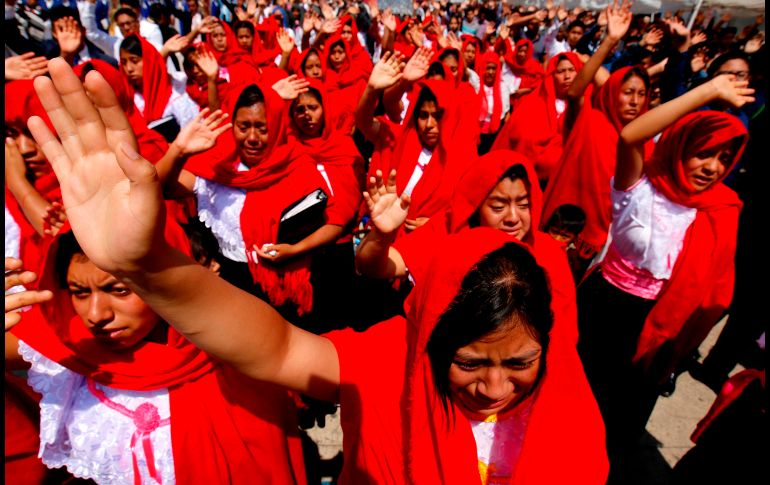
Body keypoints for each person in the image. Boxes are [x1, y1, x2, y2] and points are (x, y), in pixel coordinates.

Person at [20, 63, 611, 479]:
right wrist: (144, 266)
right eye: (469, 362)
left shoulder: (576, 417)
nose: (495, 390)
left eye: (520, 363)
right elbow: (275, 347)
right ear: (431, 338)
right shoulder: (392, 367)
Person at [5, 225, 306, 484]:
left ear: (165, 280)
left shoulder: (239, 357)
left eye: (119, 290)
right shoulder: (72, 352)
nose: (96, 314)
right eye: (80, 292)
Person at [576, 73, 754, 481]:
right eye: (704, 153)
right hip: (603, 311)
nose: (712, 168)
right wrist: (709, 90)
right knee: (575, 403)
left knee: (619, 427)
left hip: (658, 326)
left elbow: (715, 290)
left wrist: (679, 347)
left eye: (725, 159)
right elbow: (632, 135)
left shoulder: (721, 208)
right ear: (681, 147)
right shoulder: (640, 184)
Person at [356, 52, 476, 238]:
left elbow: (469, 211)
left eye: (437, 116)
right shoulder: (399, 138)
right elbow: (364, 123)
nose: (429, 125)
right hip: (383, 242)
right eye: (423, 115)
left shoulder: (464, 157)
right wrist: (372, 90)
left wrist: (439, 225)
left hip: (428, 249)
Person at [541, 65, 651, 266]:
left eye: (641, 94)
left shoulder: (646, 144)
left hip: (606, 242)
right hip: (561, 229)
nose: (635, 101)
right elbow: (575, 92)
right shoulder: (591, 121)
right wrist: (609, 41)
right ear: (613, 93)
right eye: (627, 93)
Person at [119, 34, 200, 140]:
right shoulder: (128, 99)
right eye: (123, 63)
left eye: (134, 61)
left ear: (148, 60)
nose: (129, 69)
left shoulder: (178, 93)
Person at [542, 203, 587, 283]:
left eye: (565, 236)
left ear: (575, 238)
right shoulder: (537, 241)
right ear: (548, 227)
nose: (557, 239)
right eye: (554, 232)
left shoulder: (571, 259)